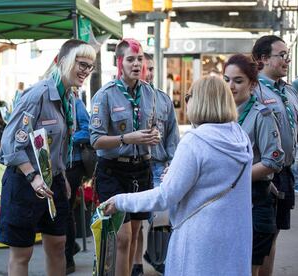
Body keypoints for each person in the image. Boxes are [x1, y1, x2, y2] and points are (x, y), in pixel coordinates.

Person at [102, 76, 254, 276]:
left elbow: (165, 197)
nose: (186, 101)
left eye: (188, 96)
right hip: (234, 240)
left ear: (198, 101)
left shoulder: (195, 141)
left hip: (198, 242)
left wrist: (120, 201)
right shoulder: (240, 137)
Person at [0, 39, 96, 276]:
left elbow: (59, 144)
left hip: (53, 182)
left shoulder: (70, 98)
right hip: (24, 182)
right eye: (82, 64)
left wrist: (62, 177)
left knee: (59, 245)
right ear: (63, 62)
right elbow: (10, 144)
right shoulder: (38, 95)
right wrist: (32, 176)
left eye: (90, 67)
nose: (85, 71)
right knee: (22, 253)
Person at [89, 38, 159, 276]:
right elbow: (95, 140)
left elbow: (152, 126)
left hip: (140, 170)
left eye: (140, 59)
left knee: (135, 234)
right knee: (123, 237)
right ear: (119, 62)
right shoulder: (105, 95)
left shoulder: (150, 93)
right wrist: (128, 139)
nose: (137, 64)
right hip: (113, 172)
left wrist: (153, 136)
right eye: (130, 59)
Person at [224, 54, 284, 276]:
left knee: (247, 269)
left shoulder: (262, 114)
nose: (231, 86)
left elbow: (274, 159)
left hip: (254, 199)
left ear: (253, 83)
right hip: (224, 201)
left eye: (238, 81)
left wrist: (236, 178)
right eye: (226, 79)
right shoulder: (219, 115)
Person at [252, 35, 298, 276]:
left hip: (285, 172)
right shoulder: (253, 91)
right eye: (281, 55)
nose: (286, 60)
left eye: (287, 54)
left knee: (273, 237)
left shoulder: (289, 92)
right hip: (263, 175)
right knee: (259, 239)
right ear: (262, 59)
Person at [131, 53, 180, 276]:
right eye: (144, 68)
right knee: (135, 222)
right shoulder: (124, 97)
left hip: (159, 166)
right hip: (132, 167)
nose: (148, 73)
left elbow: (172, 137)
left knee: (161, 219)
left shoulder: (163, 99)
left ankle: (159, 257)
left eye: (151, 68)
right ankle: (136, 265)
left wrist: (172, 163)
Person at [65, 89, 91, 274]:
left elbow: (88, 131)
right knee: (61, 210)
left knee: (64, 210)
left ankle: (68, 257)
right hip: (55, 165)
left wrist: (67, 139)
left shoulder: (76, 103)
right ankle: (69, 247)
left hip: (72, 165)